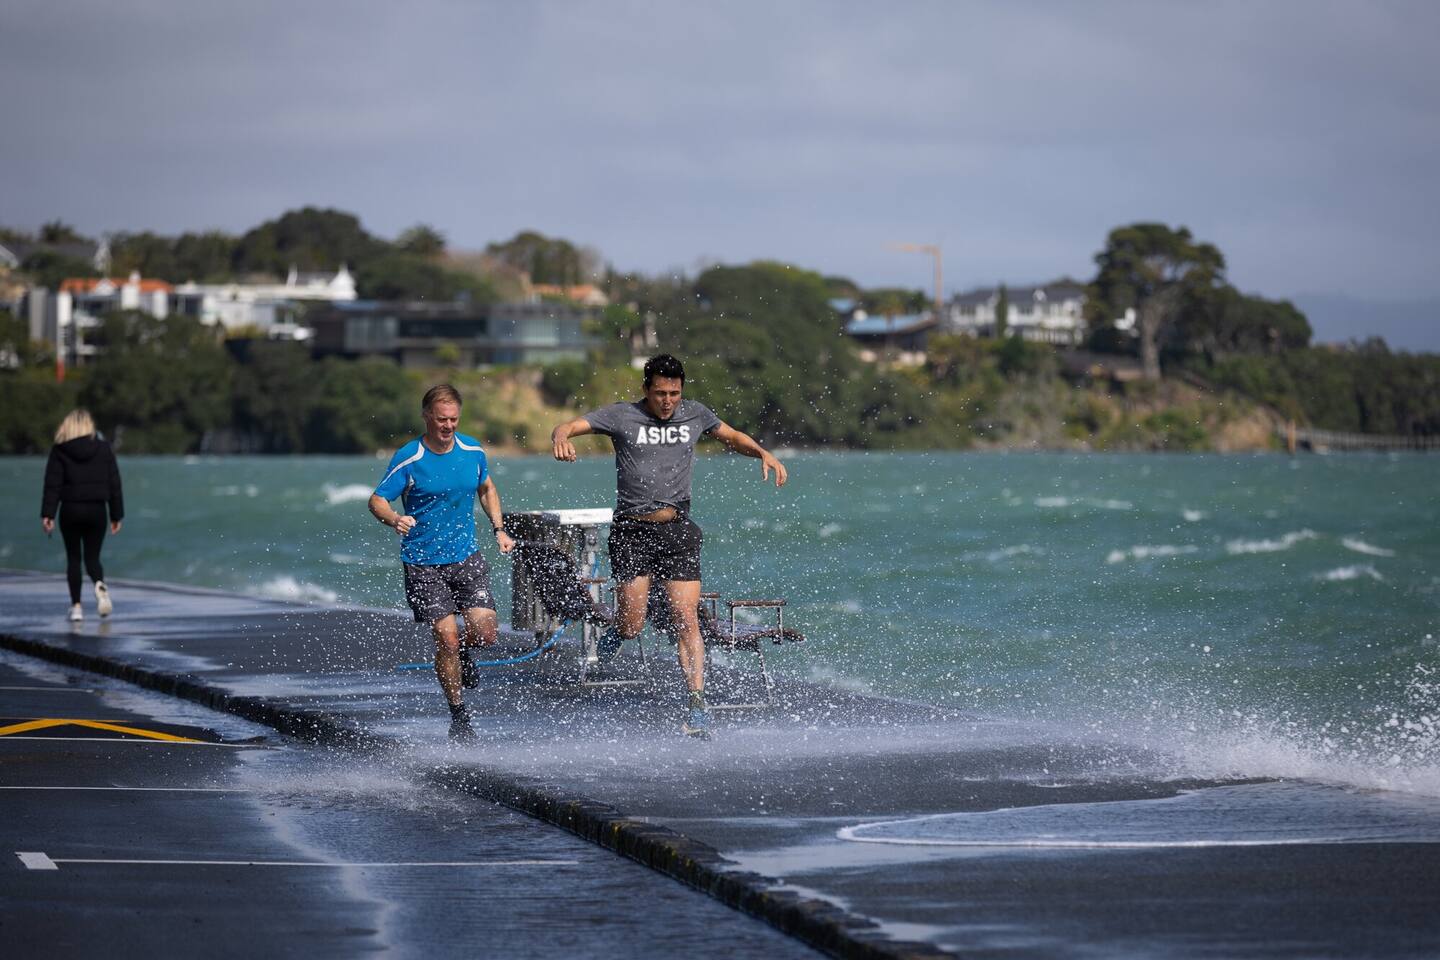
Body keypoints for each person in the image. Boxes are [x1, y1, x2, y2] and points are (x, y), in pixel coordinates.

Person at [550, 354, 788, 740]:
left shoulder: (695, 414)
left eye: (674, 393)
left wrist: (762, 452)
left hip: (677, 530)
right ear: (646, 389)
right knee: (632, 623)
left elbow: (731, 436)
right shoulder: (621, 416)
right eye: (660, 393)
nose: (667, 401)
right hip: (631, 533)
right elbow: (570, 425)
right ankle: (620, 633)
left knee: (687, 619)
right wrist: (560, 436)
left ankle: (697, 705)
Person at [368, 384, 516, 742]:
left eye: (453, 419)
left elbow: (487, 487)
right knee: (446, 638)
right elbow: (377, 500)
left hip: (466, 557)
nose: (447, 426)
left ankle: (464, 652)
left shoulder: (472, 450)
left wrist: (499, 528)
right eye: (440, 419)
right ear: (426, 417)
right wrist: (394, 519)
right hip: (423, 562)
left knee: (486, 633)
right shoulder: (410, 457)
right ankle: (459, 715)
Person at [40, 409, 124, 623]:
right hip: (97, 510)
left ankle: (76, 608)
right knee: (93, 557)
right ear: (89, 426)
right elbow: (114, 484)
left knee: (74, 559)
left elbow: (52, 484)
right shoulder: (104, 449)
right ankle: (99, 585)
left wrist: (48, 513)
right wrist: (116, 515)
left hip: (70, 509)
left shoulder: (60, 450)